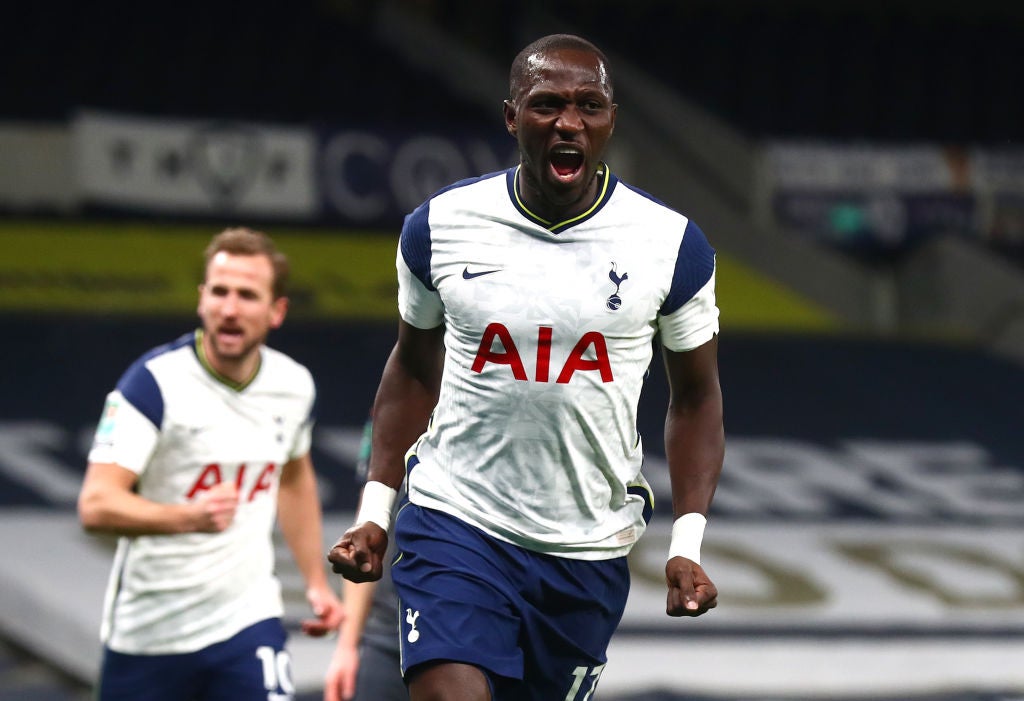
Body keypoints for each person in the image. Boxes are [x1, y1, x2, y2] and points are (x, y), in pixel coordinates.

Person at [328, 33, 724, 701]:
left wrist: (687, 541)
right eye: (547, 105)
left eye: (589, 105)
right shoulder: (439, 227)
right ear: (512, 116)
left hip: (586, 549)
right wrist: (375, 508)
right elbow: (413, 370)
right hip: (456, 520)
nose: (569, 122)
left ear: (610, 121)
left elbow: (696, 399)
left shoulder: (672, 246)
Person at [78, 227, 344, 701]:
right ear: (202, 300)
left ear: (276, 310)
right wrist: (186, 517)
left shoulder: (294, 385)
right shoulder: (152, 384)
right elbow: (96, 504)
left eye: (247, 295)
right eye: (219, 292)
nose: (229, 308)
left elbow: (295, 477)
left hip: (246, 619)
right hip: (150, 632)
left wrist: (315, 583)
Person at [323, 418, 407, 701]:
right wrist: (346, 646)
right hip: (388, 632)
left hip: (474, 627)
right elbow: (367, 524)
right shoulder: (392, 406)